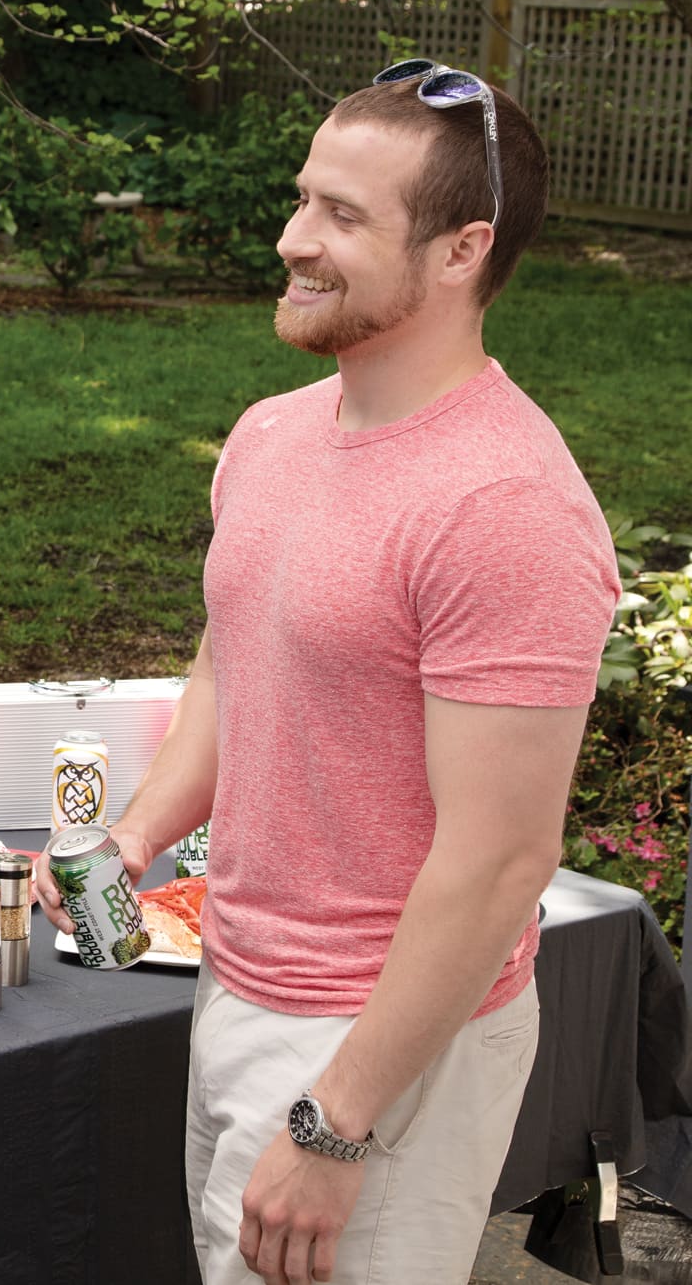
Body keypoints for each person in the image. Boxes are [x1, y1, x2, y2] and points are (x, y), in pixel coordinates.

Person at [37, 63, 619, 1284]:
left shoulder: (501, 507)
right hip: (241, 985)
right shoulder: (269, 435)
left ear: (461, 251)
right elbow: (230, 667)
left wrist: (334, 1119)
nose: (292, 240)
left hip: (383, 1043)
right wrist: (134, 837)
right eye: (303, 199)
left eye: (342, 216)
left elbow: (500, 858)